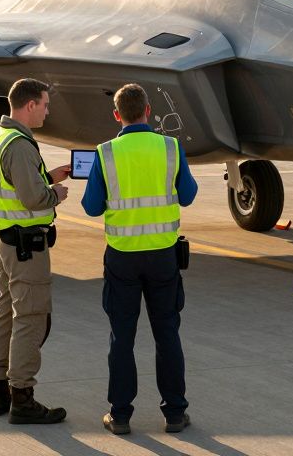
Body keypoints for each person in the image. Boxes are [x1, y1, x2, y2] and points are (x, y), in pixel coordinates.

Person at [81, 83, 198, 435]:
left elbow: (91, 207)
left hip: (122, 259)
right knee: (167, 334)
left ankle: (120, 415)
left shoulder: (106, 153)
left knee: (122, 338)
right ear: (148, 111)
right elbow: (188, 195)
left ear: (117, 115)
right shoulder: (171, 147)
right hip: (163, 256)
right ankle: (174, 413)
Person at [0, 78, 72, 425]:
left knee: (6, 313)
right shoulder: (20, 145)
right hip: (25, 248)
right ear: (30, 105)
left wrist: (48, 176)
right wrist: (55, 194)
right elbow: (33, 198)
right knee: (31, 318)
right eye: (45, 105)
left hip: (5, 241)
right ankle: (22, 398)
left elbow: (16, 184)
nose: (47, 112)